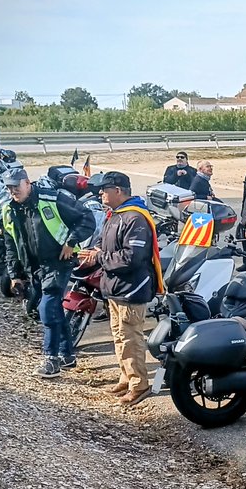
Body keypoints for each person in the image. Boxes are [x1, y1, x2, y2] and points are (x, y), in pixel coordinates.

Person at [79, 171, 165, 406]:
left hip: (131, 288)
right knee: (119, 336)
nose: (100, 193)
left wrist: (99, 257)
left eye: (104, 189)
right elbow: (102, 243)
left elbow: (131, 258)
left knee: (130, 339)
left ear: (118, 191)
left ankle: (140, 385)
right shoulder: (115, 215)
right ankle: (126, 377)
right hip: (115, 287)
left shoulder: (135, 218)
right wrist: (93, 253)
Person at [2, 167, 96, 378]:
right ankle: (67, 355)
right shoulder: (9, 209)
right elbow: (10, 244)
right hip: (35, 266)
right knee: (52, 308)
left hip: (59, 261)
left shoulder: (51, 199)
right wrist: (15, 274)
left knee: (48, 306)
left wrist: (71, 242)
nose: (13, 192)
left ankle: (51, 359)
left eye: (16, 187)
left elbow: (87, 218)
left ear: (28, 183)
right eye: (9, 188)